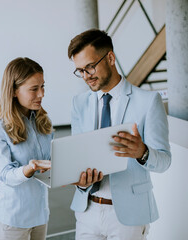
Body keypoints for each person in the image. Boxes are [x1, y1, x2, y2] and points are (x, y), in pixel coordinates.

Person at [67, 29, 171, 239]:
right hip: (87, 211)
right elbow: (77, 157)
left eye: (90, 67)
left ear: (111, 58)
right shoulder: (79, 104)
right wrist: (79, 179)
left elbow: (164, 161)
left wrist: (142, 152)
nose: (86, 76)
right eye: (80, 71)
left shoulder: (148, 102)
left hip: (129, 215)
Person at [0, 57, 53, 240]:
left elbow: (50, 163)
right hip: (12, 219)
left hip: (40, 214)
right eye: (34, 89)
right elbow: (6, 174)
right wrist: (29, 169)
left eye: (43, 86)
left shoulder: (43, 122)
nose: (41, 94)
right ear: (14, 91)